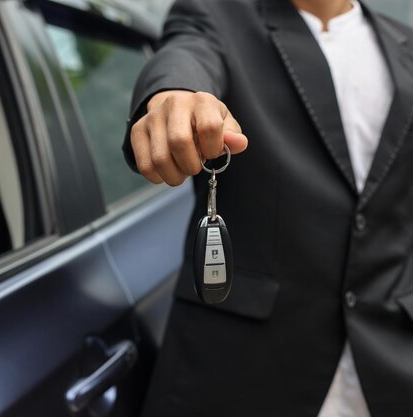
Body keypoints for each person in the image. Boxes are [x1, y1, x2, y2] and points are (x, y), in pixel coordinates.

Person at [122, 0, 413, 416]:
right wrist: (173, 95)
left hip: (389, 372)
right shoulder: (217, 15)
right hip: (245, 374)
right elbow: (186, 56)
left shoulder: (405, 44)